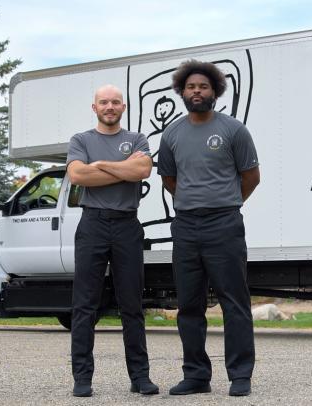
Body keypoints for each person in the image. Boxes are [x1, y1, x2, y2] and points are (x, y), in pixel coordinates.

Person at [158, 60, 260, 397]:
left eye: (203, 86)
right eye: (191, 87)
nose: (196, 91)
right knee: (189, 304)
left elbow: (251, 177)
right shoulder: (171, 133)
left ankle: (240, 374)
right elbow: (171, 180)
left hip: (224, 224)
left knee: (234, 302)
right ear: (181, 92)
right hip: (186, 226)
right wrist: (194, 201)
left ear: (215, 91)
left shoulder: (233, 130)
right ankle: (196, 375)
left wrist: (226, 202)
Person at [66, 84, 158, 397]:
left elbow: (143, 169)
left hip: (127, 226)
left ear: (123, 107)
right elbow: (78, 176)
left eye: (115, 102)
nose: (109, 106)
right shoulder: (81, 140)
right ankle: (82, 378)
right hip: (92, 224)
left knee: (132, 305)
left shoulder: (137, 139)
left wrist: (101, 166)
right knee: (85, 305)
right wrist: (124, 170)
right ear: (95, 108)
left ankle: (140, 377)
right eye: (104, 102)